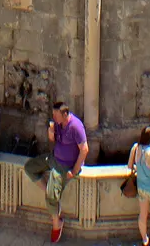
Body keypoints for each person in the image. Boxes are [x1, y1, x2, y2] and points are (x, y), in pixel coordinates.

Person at [45, 99, 88, 245]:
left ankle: (57, 224)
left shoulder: (76, 127)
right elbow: (52, 140)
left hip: (65, 166)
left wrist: (74, 170)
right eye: (53, 115)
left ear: (65, 114)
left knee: (51, 196)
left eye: (56, 116)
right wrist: (51, 131)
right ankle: (48, 187)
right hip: (55, 159)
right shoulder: (58, 124)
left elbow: (84, 149)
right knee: (30, 168)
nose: (54, 118)